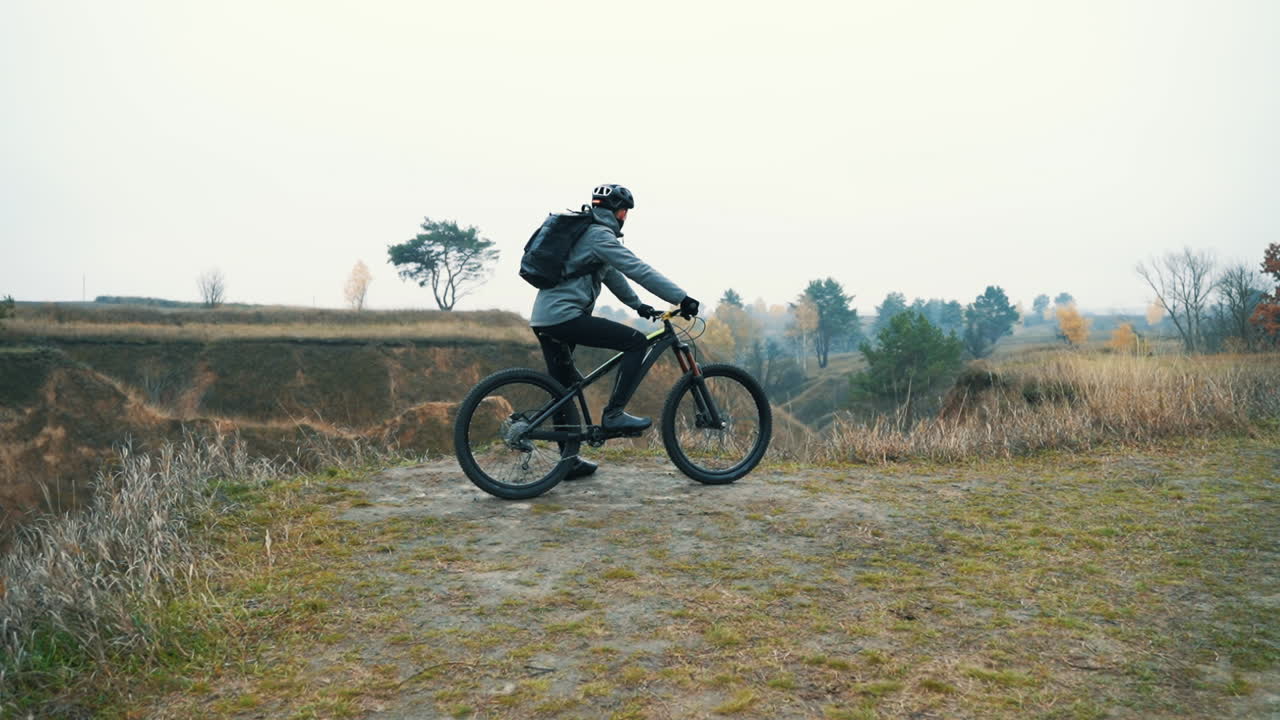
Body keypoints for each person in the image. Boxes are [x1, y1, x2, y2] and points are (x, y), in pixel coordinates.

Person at [529, 184, 700, 479]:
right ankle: (614, 415)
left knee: (564, 389)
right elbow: (636, 268)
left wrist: (639, 305)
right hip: (564, 318)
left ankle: (567, 461)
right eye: (626, 212)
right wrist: (681, 298)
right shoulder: (599, 235)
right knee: (635, 342)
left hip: (545, 319)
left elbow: (610, 274)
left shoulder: (586, 234)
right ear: (620, 212)